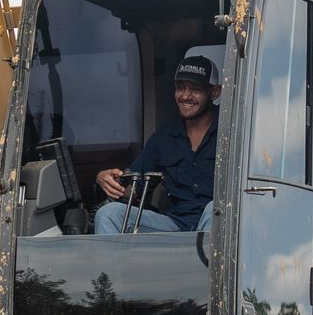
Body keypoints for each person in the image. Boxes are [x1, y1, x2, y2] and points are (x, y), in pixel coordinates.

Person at [93, 55, 219, 234]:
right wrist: (108, 181)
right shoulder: (164, 137)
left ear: (215, 92)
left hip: (219, 229)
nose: (185, 96)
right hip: (175, 224)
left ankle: (205, 262)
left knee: (215, 208)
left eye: (196, 89)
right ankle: (111, 263)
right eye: (180, 88)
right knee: (108, 214)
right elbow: (134, 190)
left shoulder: (231, 130)